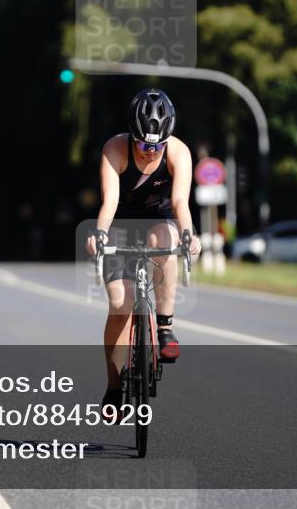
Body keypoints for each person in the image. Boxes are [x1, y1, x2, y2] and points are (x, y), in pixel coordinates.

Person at [85, 88, 201, 413]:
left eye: (157, 145)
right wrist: (99, 233)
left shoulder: (178, 153)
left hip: (158, 220)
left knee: (165, 239)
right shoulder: (114, 148)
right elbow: (108, 201)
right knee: (120, 305)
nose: (150, 152)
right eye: (143, 144)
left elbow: (180, 202)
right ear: (132, 136)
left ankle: (164, 328)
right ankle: (113, 386)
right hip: (121, 222)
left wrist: (190, 234)